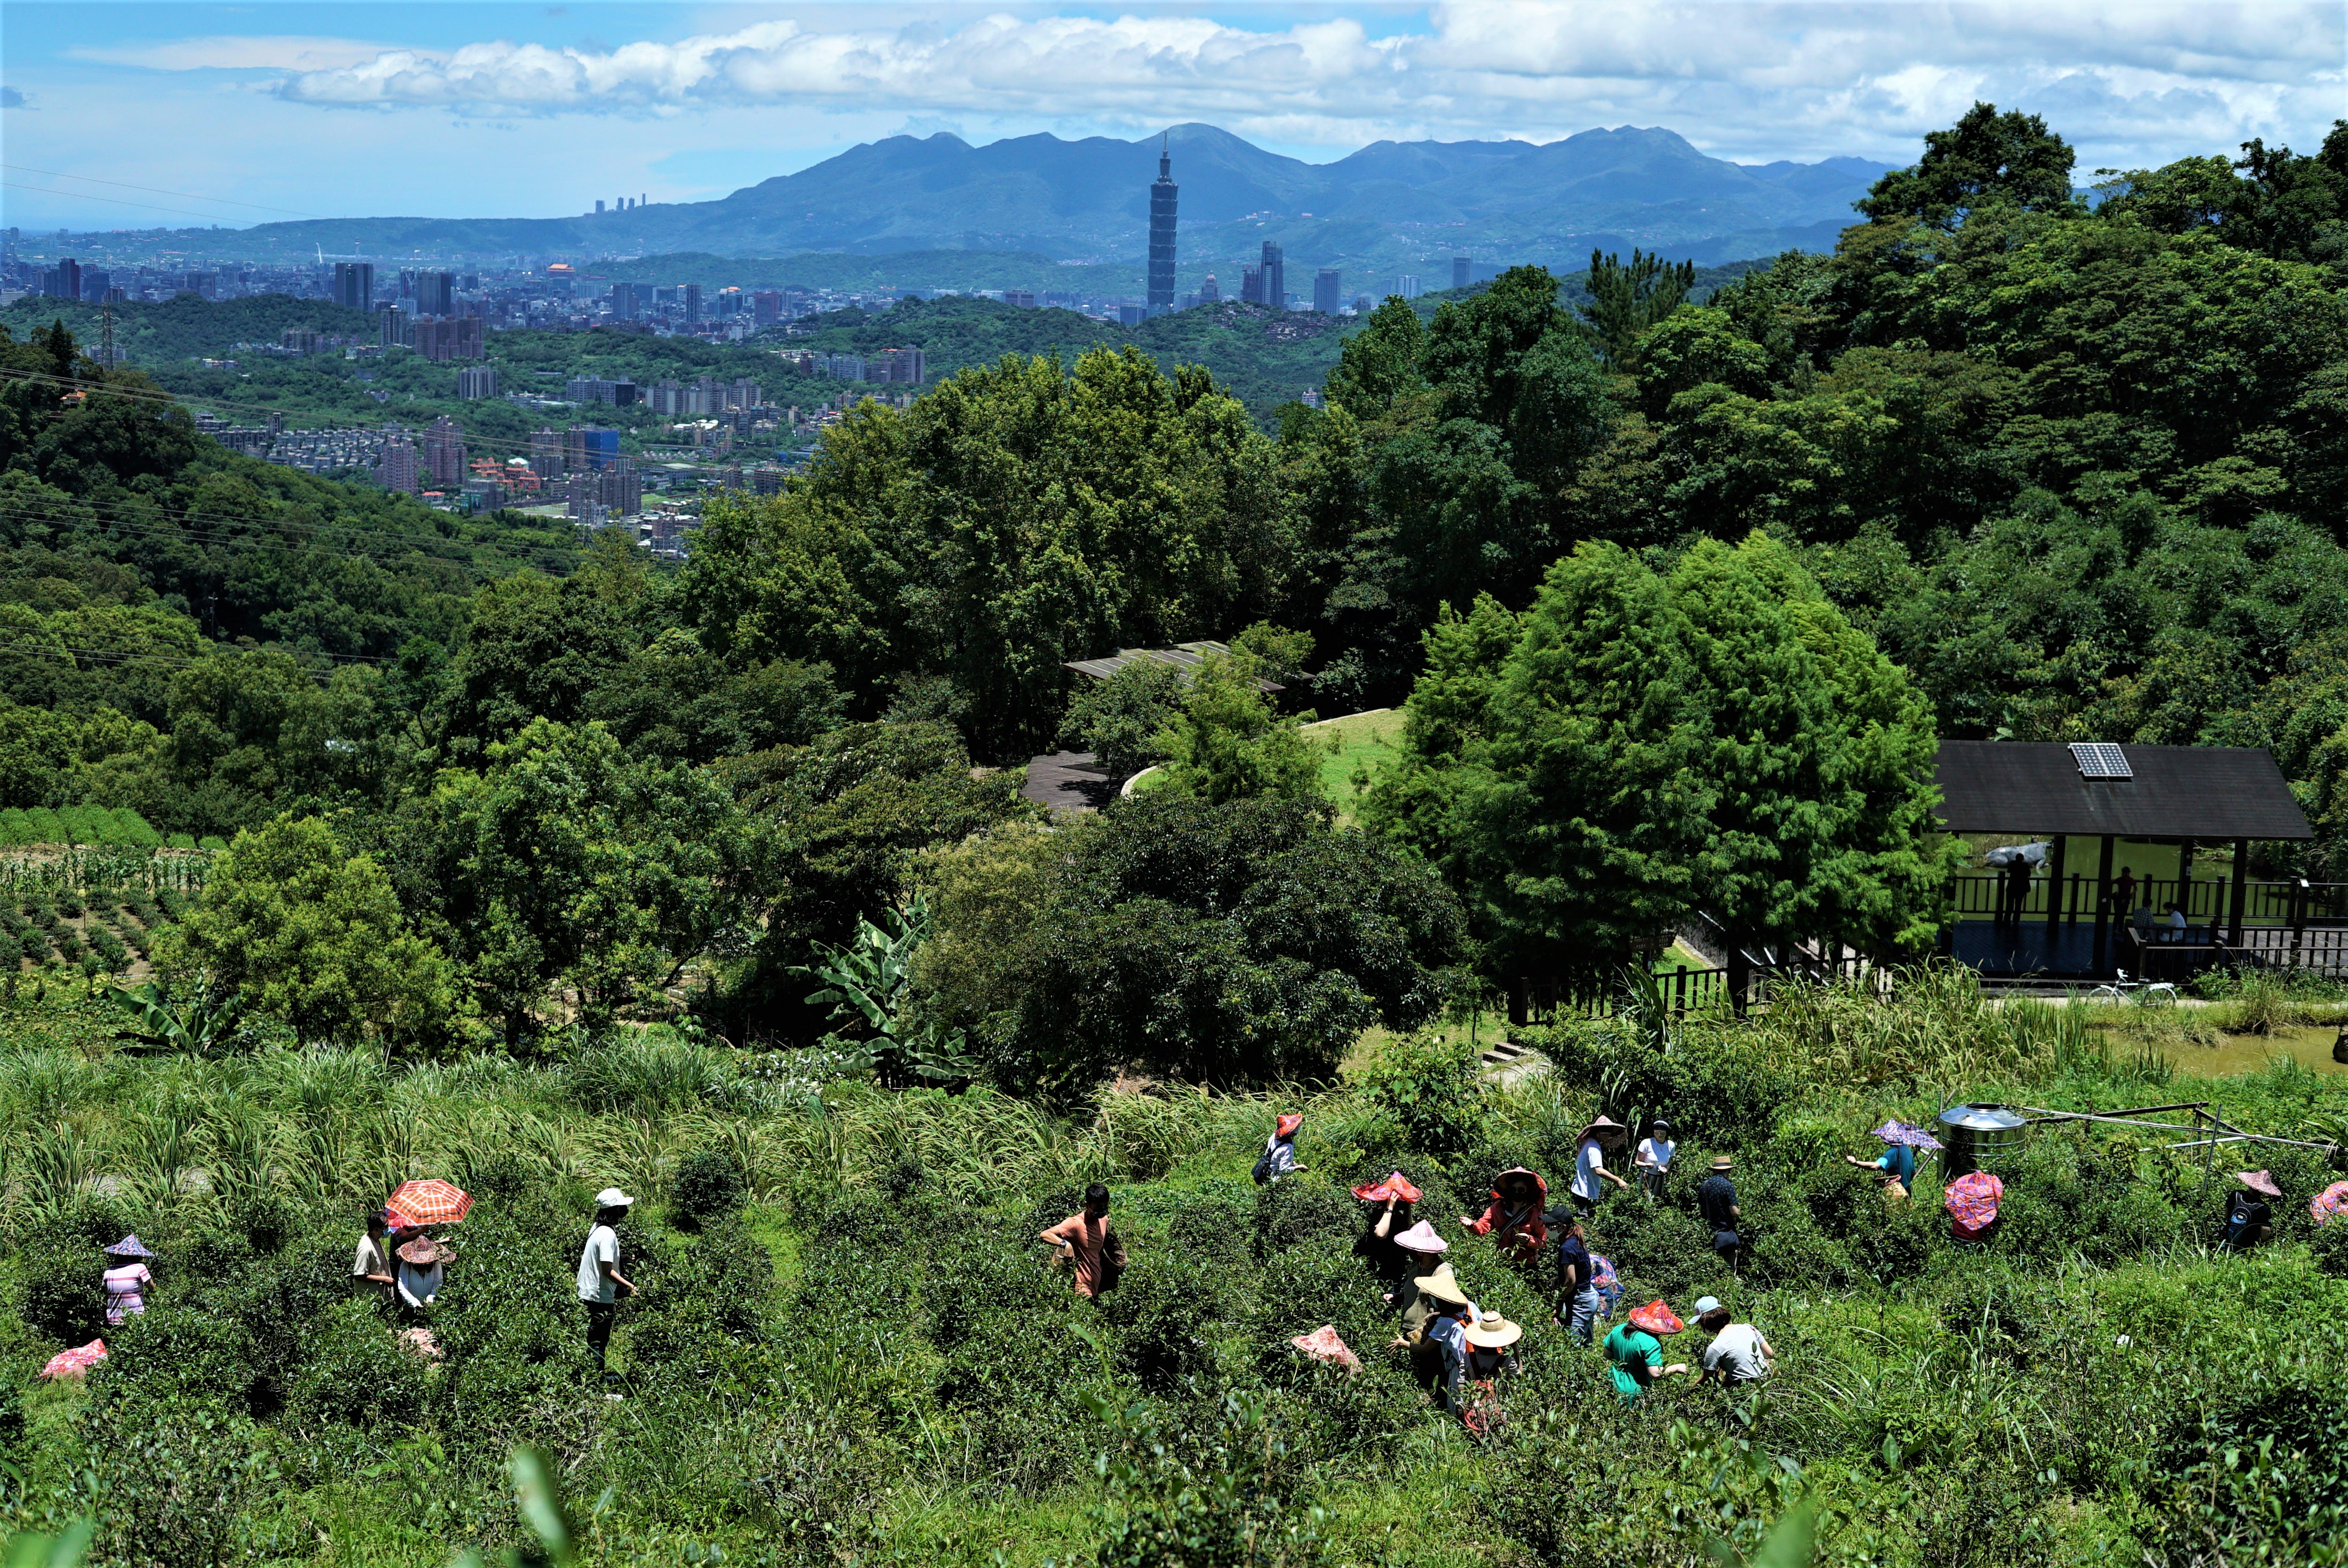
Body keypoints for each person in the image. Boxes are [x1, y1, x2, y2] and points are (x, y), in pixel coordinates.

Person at [577, 1187, 637, 1378]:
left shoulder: (596, 1228)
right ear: (616, 1210)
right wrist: (629, 1287)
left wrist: (623, 1258)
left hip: (588, 1292)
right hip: (599, 1296)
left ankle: (592, 1376)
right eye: (622, 1207)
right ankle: (596, 1381)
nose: (624, 1211)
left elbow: (603, 1259)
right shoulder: (608, 1235)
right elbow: (607, 1271)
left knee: (594, 1337)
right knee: (599, 1340)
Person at [1041, 1182, 1126, 1299]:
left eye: (1104, 1207)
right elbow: (1045, 1235)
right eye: (1097, 1208)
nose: (1101, 1211)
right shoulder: (1075, 1224)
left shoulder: (1104, 1220)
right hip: (1080, 1290)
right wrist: (1065, 1244)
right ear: (1087, 1205)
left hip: (1096, 1288)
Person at [1604, 1299, 1690, 1405]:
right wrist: (1676, 1368)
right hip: (1635, 1388)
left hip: (1613, 1380)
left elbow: (1607, 1354)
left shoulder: (1619, 1329)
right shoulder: (1651, 1343)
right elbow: (1655, 1373)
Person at [1459, 1167, 1549, 1259]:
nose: (1517, 1192)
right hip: (1503, 1261)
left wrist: (1529, 1240)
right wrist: (1472, 1225)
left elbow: (1542, 1241)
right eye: (1514, 1190)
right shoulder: (1497, 1208)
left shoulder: (1535, 1213)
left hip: (1527, 1264)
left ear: (1527, 1190)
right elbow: (1483, 1226)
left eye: (1521, 1190)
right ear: (1508, 1190)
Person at [1693, 1299, 1775, 1388]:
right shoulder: (1749, 1328)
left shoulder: (1715, 1347)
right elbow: (1769, 1353)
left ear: (1705, 1322)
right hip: (1767, 1380)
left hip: (1745, 1388)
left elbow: (1706, 1379)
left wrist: (1689, 1392)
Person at [1384, 1223, 1451, 1328]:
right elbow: (1415, 1293)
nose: (1408, 1251)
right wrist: (1397, 1297)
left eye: (1411, 1248)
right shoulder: (1415, 1265)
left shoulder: (1441, 1271)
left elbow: (1447, 1306)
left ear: (1421, 1251)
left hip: (1426, 1331)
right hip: (1407, 1327)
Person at [1552, 1211, 1603, 1344]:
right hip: (1588, 1295)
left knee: (1573, 1343)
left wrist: (1560, 1299)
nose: (1547, 1228)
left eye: (1551, 1226)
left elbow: (1571, 1281)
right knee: (1586, 1341)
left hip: (1580, 1301)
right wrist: (1560, 1279)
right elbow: (1579, 1269)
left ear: (1562, 1227)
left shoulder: (1567, 1248)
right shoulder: (1575, 1240)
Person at [1571, 1117, 1633, 1214]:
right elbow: (1599, 1170)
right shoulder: (1594, 1148)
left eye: (1609, 1132)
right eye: (1605, 1131)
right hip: (1585, 1192)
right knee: (1586, 1221)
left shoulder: (1589, 1143)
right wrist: (1619, 1180)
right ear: (1598, 1132)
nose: (1608, 1135)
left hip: (1581, 1190)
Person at [1697, 1156, 1742, 1270]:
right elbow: (1735, 1212)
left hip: (1709, 1234)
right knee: (1729, 1270)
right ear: (1729, 1170)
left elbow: (1701, 1210)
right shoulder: (1727, 1186)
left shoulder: (1705, 1185)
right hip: (1726, 1235)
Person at [101, 1236, 155, 1329]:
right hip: (135, 1320)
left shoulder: (109, 1271)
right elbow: (153, 1289)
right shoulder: (140, 1267)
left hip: (113, 1320)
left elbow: (107, 1293)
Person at [2222, 1170, 2280, 1251]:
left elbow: (2227, 1215)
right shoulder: (2264, 1208)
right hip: (2246, 1249)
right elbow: (2265, 1234)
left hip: (2226, 1243)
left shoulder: (2235, 1195)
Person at [1846, 1133, 1917, 1196]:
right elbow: (1913, 1173)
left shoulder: (1893, 1152)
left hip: (1896, 1192)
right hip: (1907, 1191)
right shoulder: (1907, 1149)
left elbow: (1876, 1166)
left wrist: (1856, 1163)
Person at [395, 1235, 449, 1316]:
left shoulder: (436, 1264)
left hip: (431, 1307)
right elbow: (402, 1286)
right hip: (410, 1308)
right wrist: (414, 1302)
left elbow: (438, 1283)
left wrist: (431, 1297)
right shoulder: (406, 1265)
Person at [352, 1208, 396, 1297]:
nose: (388, 1228)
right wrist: (384, 1279)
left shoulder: (375, 1240)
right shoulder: (366, 1249)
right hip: (371, 1300)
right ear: (376, 1229)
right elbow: (359, 1275)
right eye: (386, 1226)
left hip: (381, 1296)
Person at [1254, 1113, 1305, 1184]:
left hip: (1266, 1171)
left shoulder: (1274, 1136)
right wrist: (1299, 1167)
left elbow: (1275, 1157)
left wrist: (1291, 1164)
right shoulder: (1287, 1147)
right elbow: (1284, 1171)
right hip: (1274, 1180)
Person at [1632, 1118, 1675, 1200]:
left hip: (1660, 1177)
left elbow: (1670, 1161)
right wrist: (1646, 1165)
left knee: (1658, 1201)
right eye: (1657, 1129)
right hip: (1647, 1176)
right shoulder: (1647, 1143)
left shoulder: (1671, 1145)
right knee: (1644, 1199)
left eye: (1663, 1129)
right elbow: (1637, 1161)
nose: (1660, 1132)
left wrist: (1666, 1169)